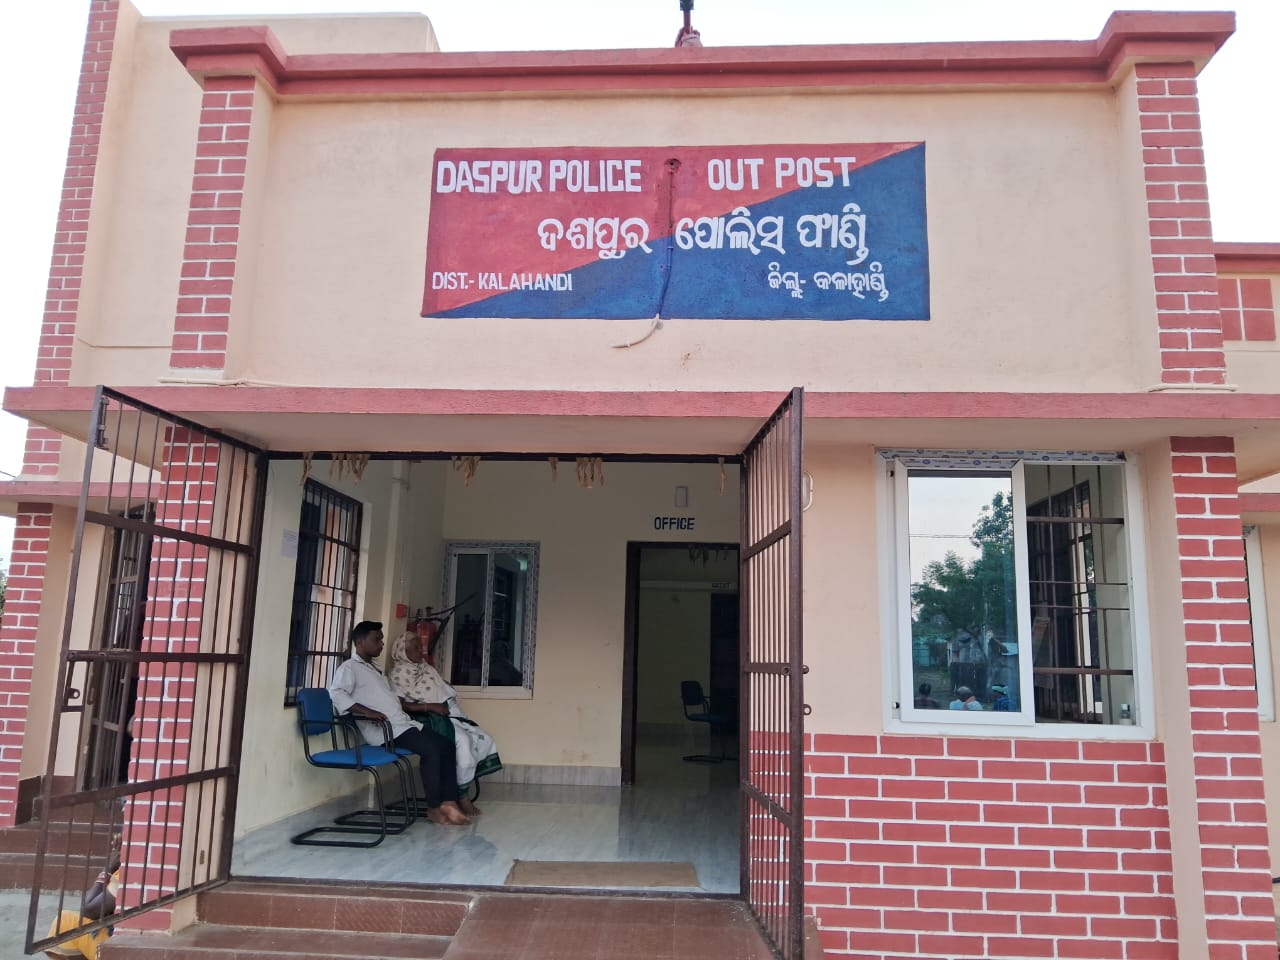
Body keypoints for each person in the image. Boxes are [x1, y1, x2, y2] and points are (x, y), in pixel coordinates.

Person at [329, 621, 471, 826]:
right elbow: (336, 693)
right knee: (431, 750)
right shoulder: (349, 668)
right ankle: (433, 808)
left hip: (401, 724)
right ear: (360, 642)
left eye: (381, 639)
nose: (381, 644)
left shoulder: (375, 668)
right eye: (376, 640)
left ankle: (449, 802)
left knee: (446, 744)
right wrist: (367, 712)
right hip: (384, 730)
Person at [388, 630, 502, 818]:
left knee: (483, 738)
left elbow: (439, 687)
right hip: (428, 717)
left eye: (420, 647)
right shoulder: (398, 674)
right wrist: (430, 706)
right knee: (463, 741)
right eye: (415, 648)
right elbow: (400, 705)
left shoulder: (425, 667)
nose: (421, 651)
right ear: (402, 651)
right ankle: (461, 795)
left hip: (447, 713)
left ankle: (459, 790)